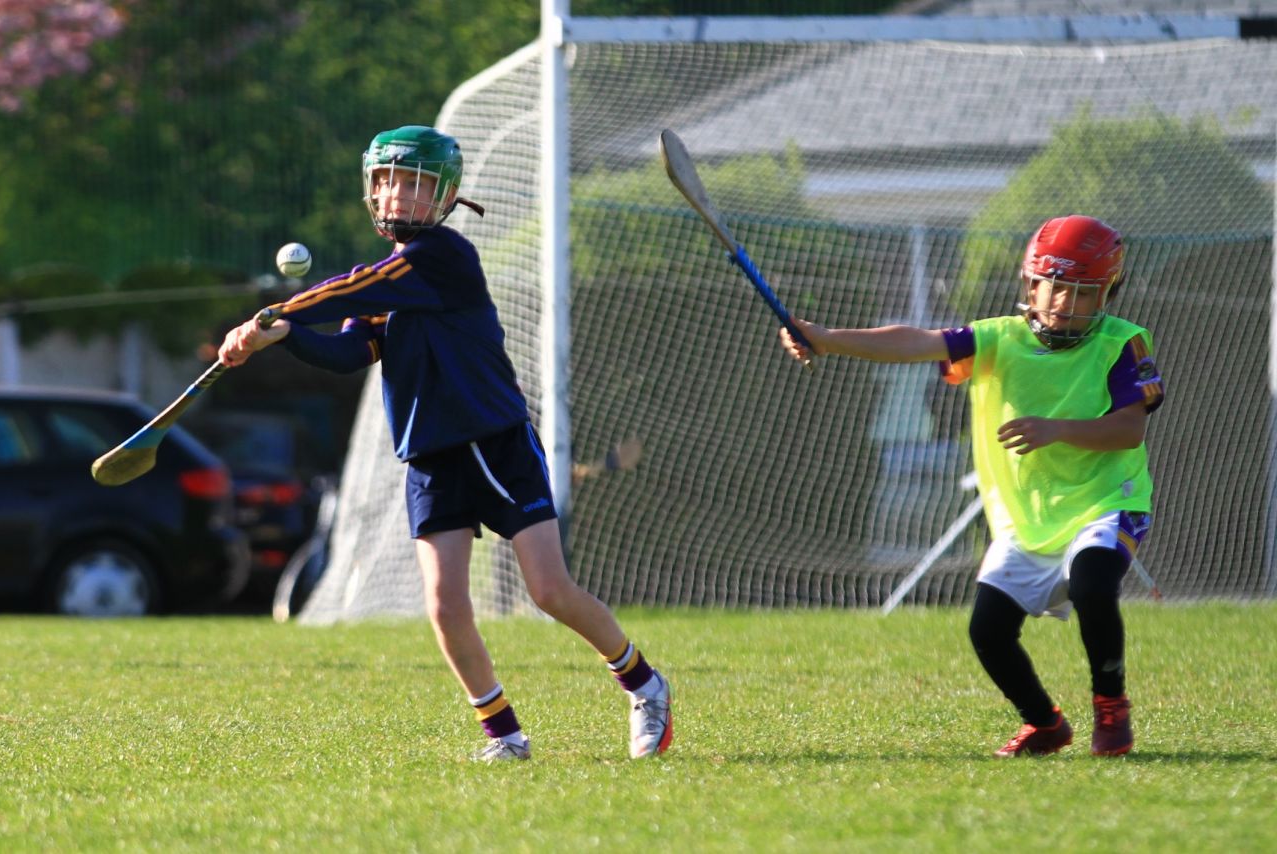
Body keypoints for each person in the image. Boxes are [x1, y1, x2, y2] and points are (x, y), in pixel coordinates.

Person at [218, 125, 672, 762]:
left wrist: (275, 315)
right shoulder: (384, 280)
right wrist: (283, 335)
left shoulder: (442, 257)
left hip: (495, 442)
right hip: (430, 457)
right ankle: (505, 737)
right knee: (443, 604)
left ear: (443, 194)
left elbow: (353, 289)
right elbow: (350, 350)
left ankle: (645, 686)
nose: (398, 195)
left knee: (549, 591)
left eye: (414, 183)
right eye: (387, 183)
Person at [779, 215, 1164, 757]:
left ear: (1107, 293)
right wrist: (827, 339)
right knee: (987, 631)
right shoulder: (996, 338)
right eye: (1053, 287)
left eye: (1081, 293)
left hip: (1107, 502)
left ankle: (1110, 705)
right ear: (1031, 284)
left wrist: (1057, 430)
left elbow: (1129, 429)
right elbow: (915, 341)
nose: (1062, 303)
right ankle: (1046, 723)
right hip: (1026, 520)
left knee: (1093, 587)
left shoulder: (1124, 343)